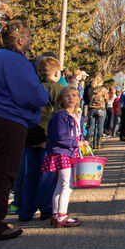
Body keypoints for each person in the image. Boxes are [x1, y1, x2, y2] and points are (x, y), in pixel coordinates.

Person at [0, 20, 49, 243]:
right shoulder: (14, 60)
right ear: (20, 40)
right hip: (8, 119)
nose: (30, 42)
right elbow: (30, 93)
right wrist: (43, 95)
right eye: (29, 38)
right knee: (3, 173)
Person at [17, 56, 63, 222]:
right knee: (47, 175)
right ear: (57, 72)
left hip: (29, 135)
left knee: (30, 176)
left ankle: (26, 210)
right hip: (46, 135)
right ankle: (46, 209)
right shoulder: (56, 89)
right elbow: (60, 114)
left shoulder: (31, 88)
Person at [42, 87, 84, 228]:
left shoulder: (77, 116)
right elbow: (60, 136)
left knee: (60, 184)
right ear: (61, 99)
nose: (71, 98)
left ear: (79, 99)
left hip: (70, 152)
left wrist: (81, 142)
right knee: (67, 185)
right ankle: (62, 215)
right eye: (67, 96)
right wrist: (76, 142)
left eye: (74, 95)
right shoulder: (61, 116)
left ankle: (55, 214)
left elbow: (78, 132)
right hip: (62, 152)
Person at [86, 77, 108, 152]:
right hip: (101, 109)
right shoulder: (103, 90)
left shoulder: (90, 89)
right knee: (100, 127)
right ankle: (99, 144)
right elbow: (106, 99)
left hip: (92, 109)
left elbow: (88, 98)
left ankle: (89, 143)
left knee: (91, 126)